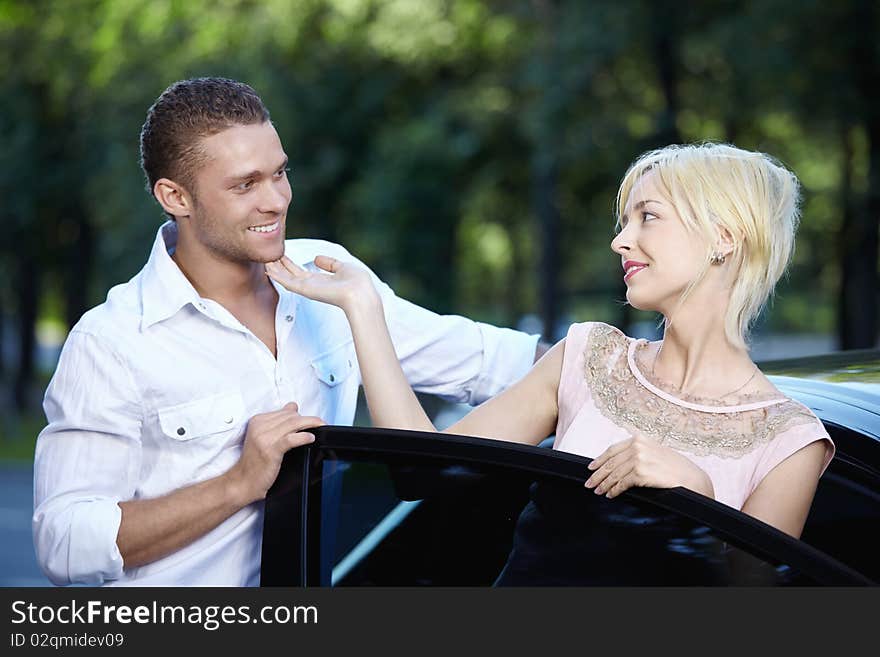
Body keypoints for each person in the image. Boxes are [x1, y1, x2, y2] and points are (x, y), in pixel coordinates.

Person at [32, 77, 543, 586]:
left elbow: (490, 361)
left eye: (280, 173)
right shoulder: (111, 342)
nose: (276, 201)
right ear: (175, 196)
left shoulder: (330, 280)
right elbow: (65, 543)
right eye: (245, 185)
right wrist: (237, 483)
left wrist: (617, 359)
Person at [266, 142, 835, 541]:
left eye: (647, 217)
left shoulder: (791, 441)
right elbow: (423, 473)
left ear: (724, 238)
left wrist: (697, 495)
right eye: (624, 219)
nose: (620, 240)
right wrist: (363, 309)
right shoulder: (587, 357)